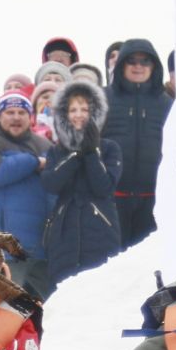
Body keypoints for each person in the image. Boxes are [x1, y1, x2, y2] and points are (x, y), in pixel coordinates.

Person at [38, 78, 122, 289]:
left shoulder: (110, 148)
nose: (78, 114)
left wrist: (92, 152)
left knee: (100, 292)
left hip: (100, 229)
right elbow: (50, 183)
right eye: (73, 109)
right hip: (63, 232)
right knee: (64, 293)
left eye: (84, 109)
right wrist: (76, 154)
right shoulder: (57, 150)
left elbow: (104, 186)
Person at [101, 37, 171, 245]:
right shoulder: (103, 98)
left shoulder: (167, 103)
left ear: (154, 66)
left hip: (154, 200)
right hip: (111, 199)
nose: (138, 66)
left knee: (146, 267)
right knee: (111, 265)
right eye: (132, 61)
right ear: (121, 64)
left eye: (145, 61)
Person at [0, 90, 52, 255]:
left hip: (41, 248)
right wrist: (34, 162)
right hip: (2, 248)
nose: (16, 117)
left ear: (31, 117)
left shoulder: (45, 146)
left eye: (22, 112)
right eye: (10, 112)